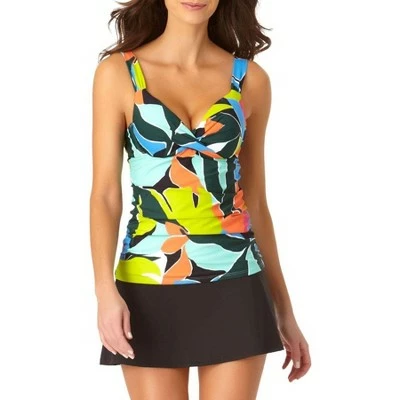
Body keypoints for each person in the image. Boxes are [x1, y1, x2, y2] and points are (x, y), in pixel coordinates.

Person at [90, 0, 311, 398]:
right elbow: (105, 195)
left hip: (237, 283)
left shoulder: (251, 80)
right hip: (147, 283)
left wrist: (285, 310)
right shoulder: (118, 74)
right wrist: (105, 291)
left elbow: (256, 202)